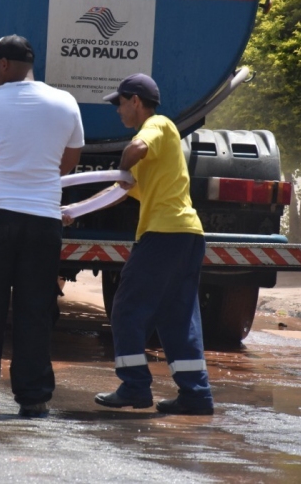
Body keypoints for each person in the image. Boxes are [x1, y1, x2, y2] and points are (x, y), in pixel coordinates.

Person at [0, 34, 84, 418]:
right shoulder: (65, 103)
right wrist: (34, 185)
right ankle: (34, 397)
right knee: (36, 309)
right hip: (43, 221)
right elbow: (68, 161)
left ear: (5, 64)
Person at [88, 73, 214, 415]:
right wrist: (73, 211)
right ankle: (195, 395)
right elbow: (121, 191)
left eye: (120, 104)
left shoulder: (158, 125)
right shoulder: (156, 152)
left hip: (164, 235)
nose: (118, 111)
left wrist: (123, 161)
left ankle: (134, 386)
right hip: (187, 235)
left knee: (126, 307)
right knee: (177, 317)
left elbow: (135, 150)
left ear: (135, 102)